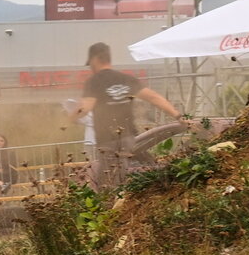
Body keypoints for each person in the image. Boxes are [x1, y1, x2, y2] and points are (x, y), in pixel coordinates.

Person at [73, 42, 182, 189]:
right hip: (130, 138)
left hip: (109, 141)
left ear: (94, 59)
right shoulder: (125, 78)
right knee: (139, 170)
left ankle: (114, 205)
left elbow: (84, 109)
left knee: (108, 184)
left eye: (90, 63)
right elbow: (154, 97)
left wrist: (71, 117)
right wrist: (178, 115)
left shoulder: (94, 82)